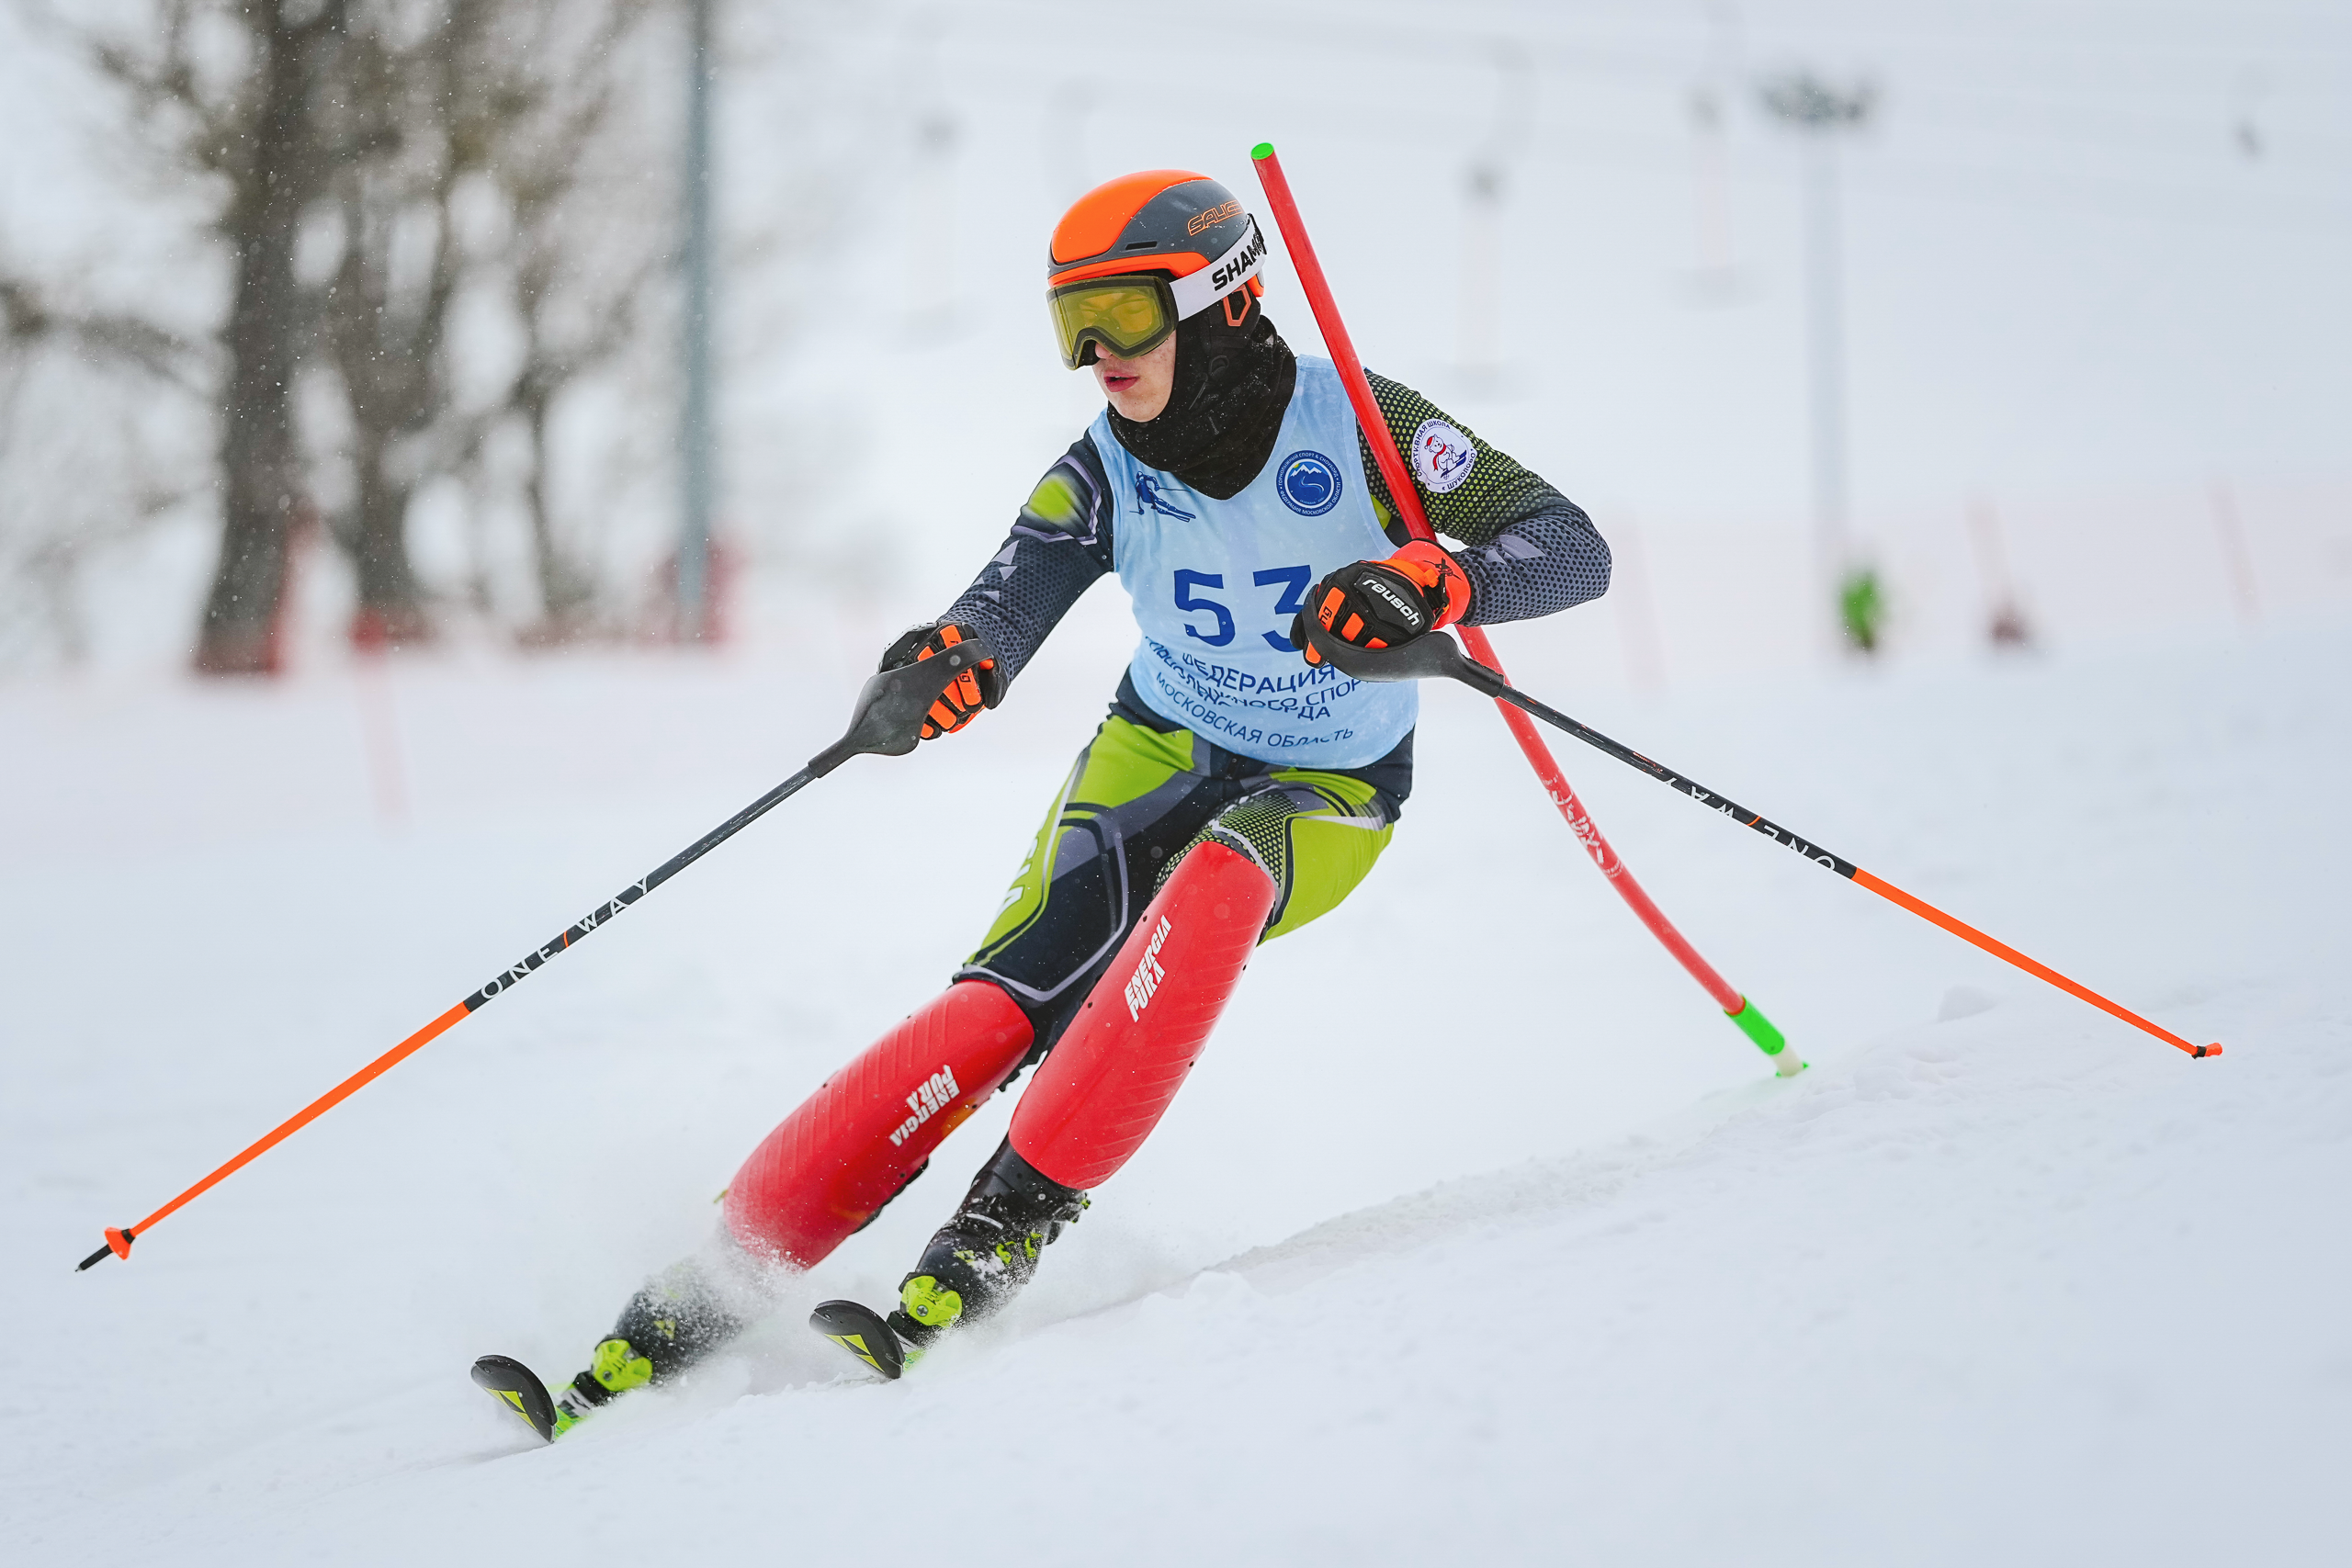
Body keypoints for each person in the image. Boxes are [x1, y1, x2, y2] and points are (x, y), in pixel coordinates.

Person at [473, 169, 1612, 1440]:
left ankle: (995, 1233)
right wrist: (944, 666)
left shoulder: (1362, 420)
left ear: (1222, 304)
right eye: (1071, 326)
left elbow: (1568, 545)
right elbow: (1002, 606)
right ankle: (692, 1297)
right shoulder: (1106, 466)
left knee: (1228, 873)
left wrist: (1431, 580)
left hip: (1331, 785)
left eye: (1120, 317)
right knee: (994, 1010)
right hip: (1156, 752)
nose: (1094, 358)